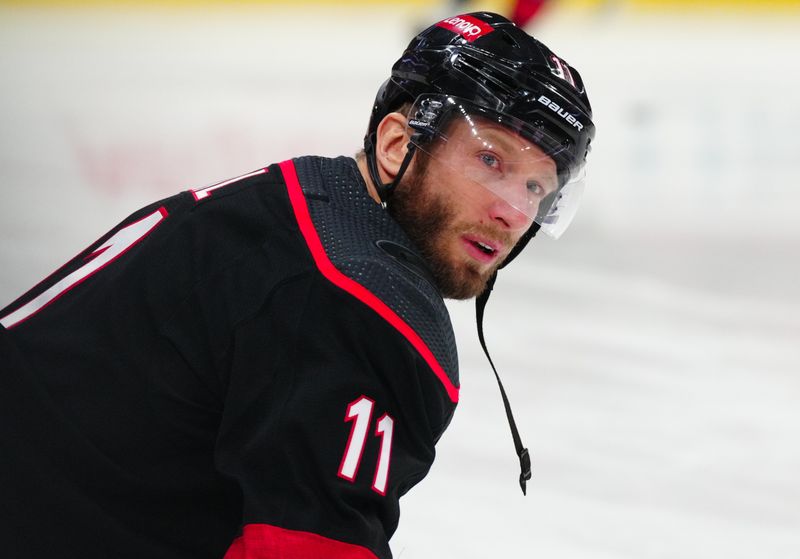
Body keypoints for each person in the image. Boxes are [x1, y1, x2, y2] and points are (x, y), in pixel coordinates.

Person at [0, 11, 594, 559]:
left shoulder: (308, 207)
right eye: (491, 161)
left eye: (537, 189)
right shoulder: (359, 297)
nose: (514, 212)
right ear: (396, 145)